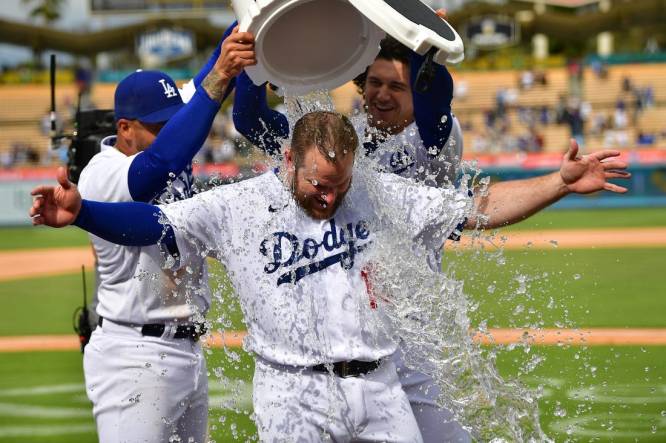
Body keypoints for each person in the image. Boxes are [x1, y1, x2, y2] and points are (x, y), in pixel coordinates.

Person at [31, 111, 629, 441]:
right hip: (293, 393)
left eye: (340, 185)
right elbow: (153, 224)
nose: (330, 197)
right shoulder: (239, 205)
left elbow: (474, 208)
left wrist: (559, 184)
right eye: (319, 183)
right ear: (289, 159)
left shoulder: (373, 191)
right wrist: (84, 212)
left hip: (377, 385)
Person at [232, 34, 470, 441]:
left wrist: (423, 46)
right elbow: (251, 121)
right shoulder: (342, 136)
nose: (381, 93)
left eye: (397, 86)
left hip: (413, 337)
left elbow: (434, 107)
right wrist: (255, 38)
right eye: (374, 82)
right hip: (352, 335)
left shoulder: (436, 139)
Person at [73, 25, 256, 442]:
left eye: (173, 121)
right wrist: (220, 79)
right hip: (134, 355)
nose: (171, 130)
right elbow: (160, 163)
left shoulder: (159, 128)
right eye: (159, 125)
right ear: (124, 128)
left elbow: (218, 55)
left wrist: (253, 14)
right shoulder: (102, 174)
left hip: (187, 348)